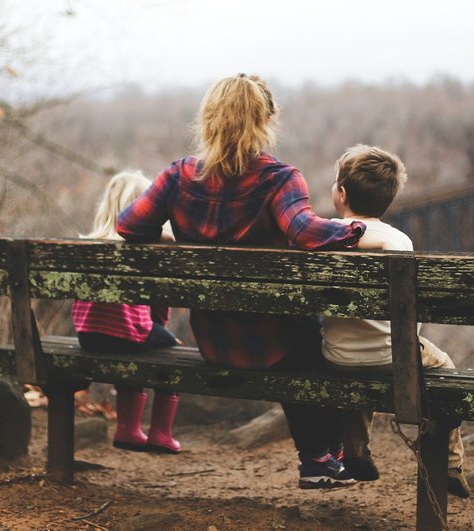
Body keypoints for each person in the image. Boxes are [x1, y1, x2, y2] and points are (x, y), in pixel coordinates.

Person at [117, 74, 367, 489]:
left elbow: (128, 226)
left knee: (301, 333)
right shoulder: (279, 179)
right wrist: (355, 229)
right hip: (277, 345)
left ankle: (323, 458)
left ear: (208, 120)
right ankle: (321, 457)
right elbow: (304, 231)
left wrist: (168, 235)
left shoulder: (177, 177)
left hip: (214, 342)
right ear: (267, 120)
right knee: (313, 335)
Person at [321, 144, 471, 498]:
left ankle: (355, 451)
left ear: (341, 194)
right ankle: (451, 462)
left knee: (358, 362)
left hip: (336, 356)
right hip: (394, 357)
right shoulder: (399, 241)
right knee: (444, 368)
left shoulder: (323, 235)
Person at [72, 170, 182, 454]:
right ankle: (160, 433)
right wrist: (162, 330)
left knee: (135, 344)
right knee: (172, 352)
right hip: (127, 334)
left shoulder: (89, 245)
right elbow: (158, 303)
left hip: (88, 336)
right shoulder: (143, 248)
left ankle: (128, 429)